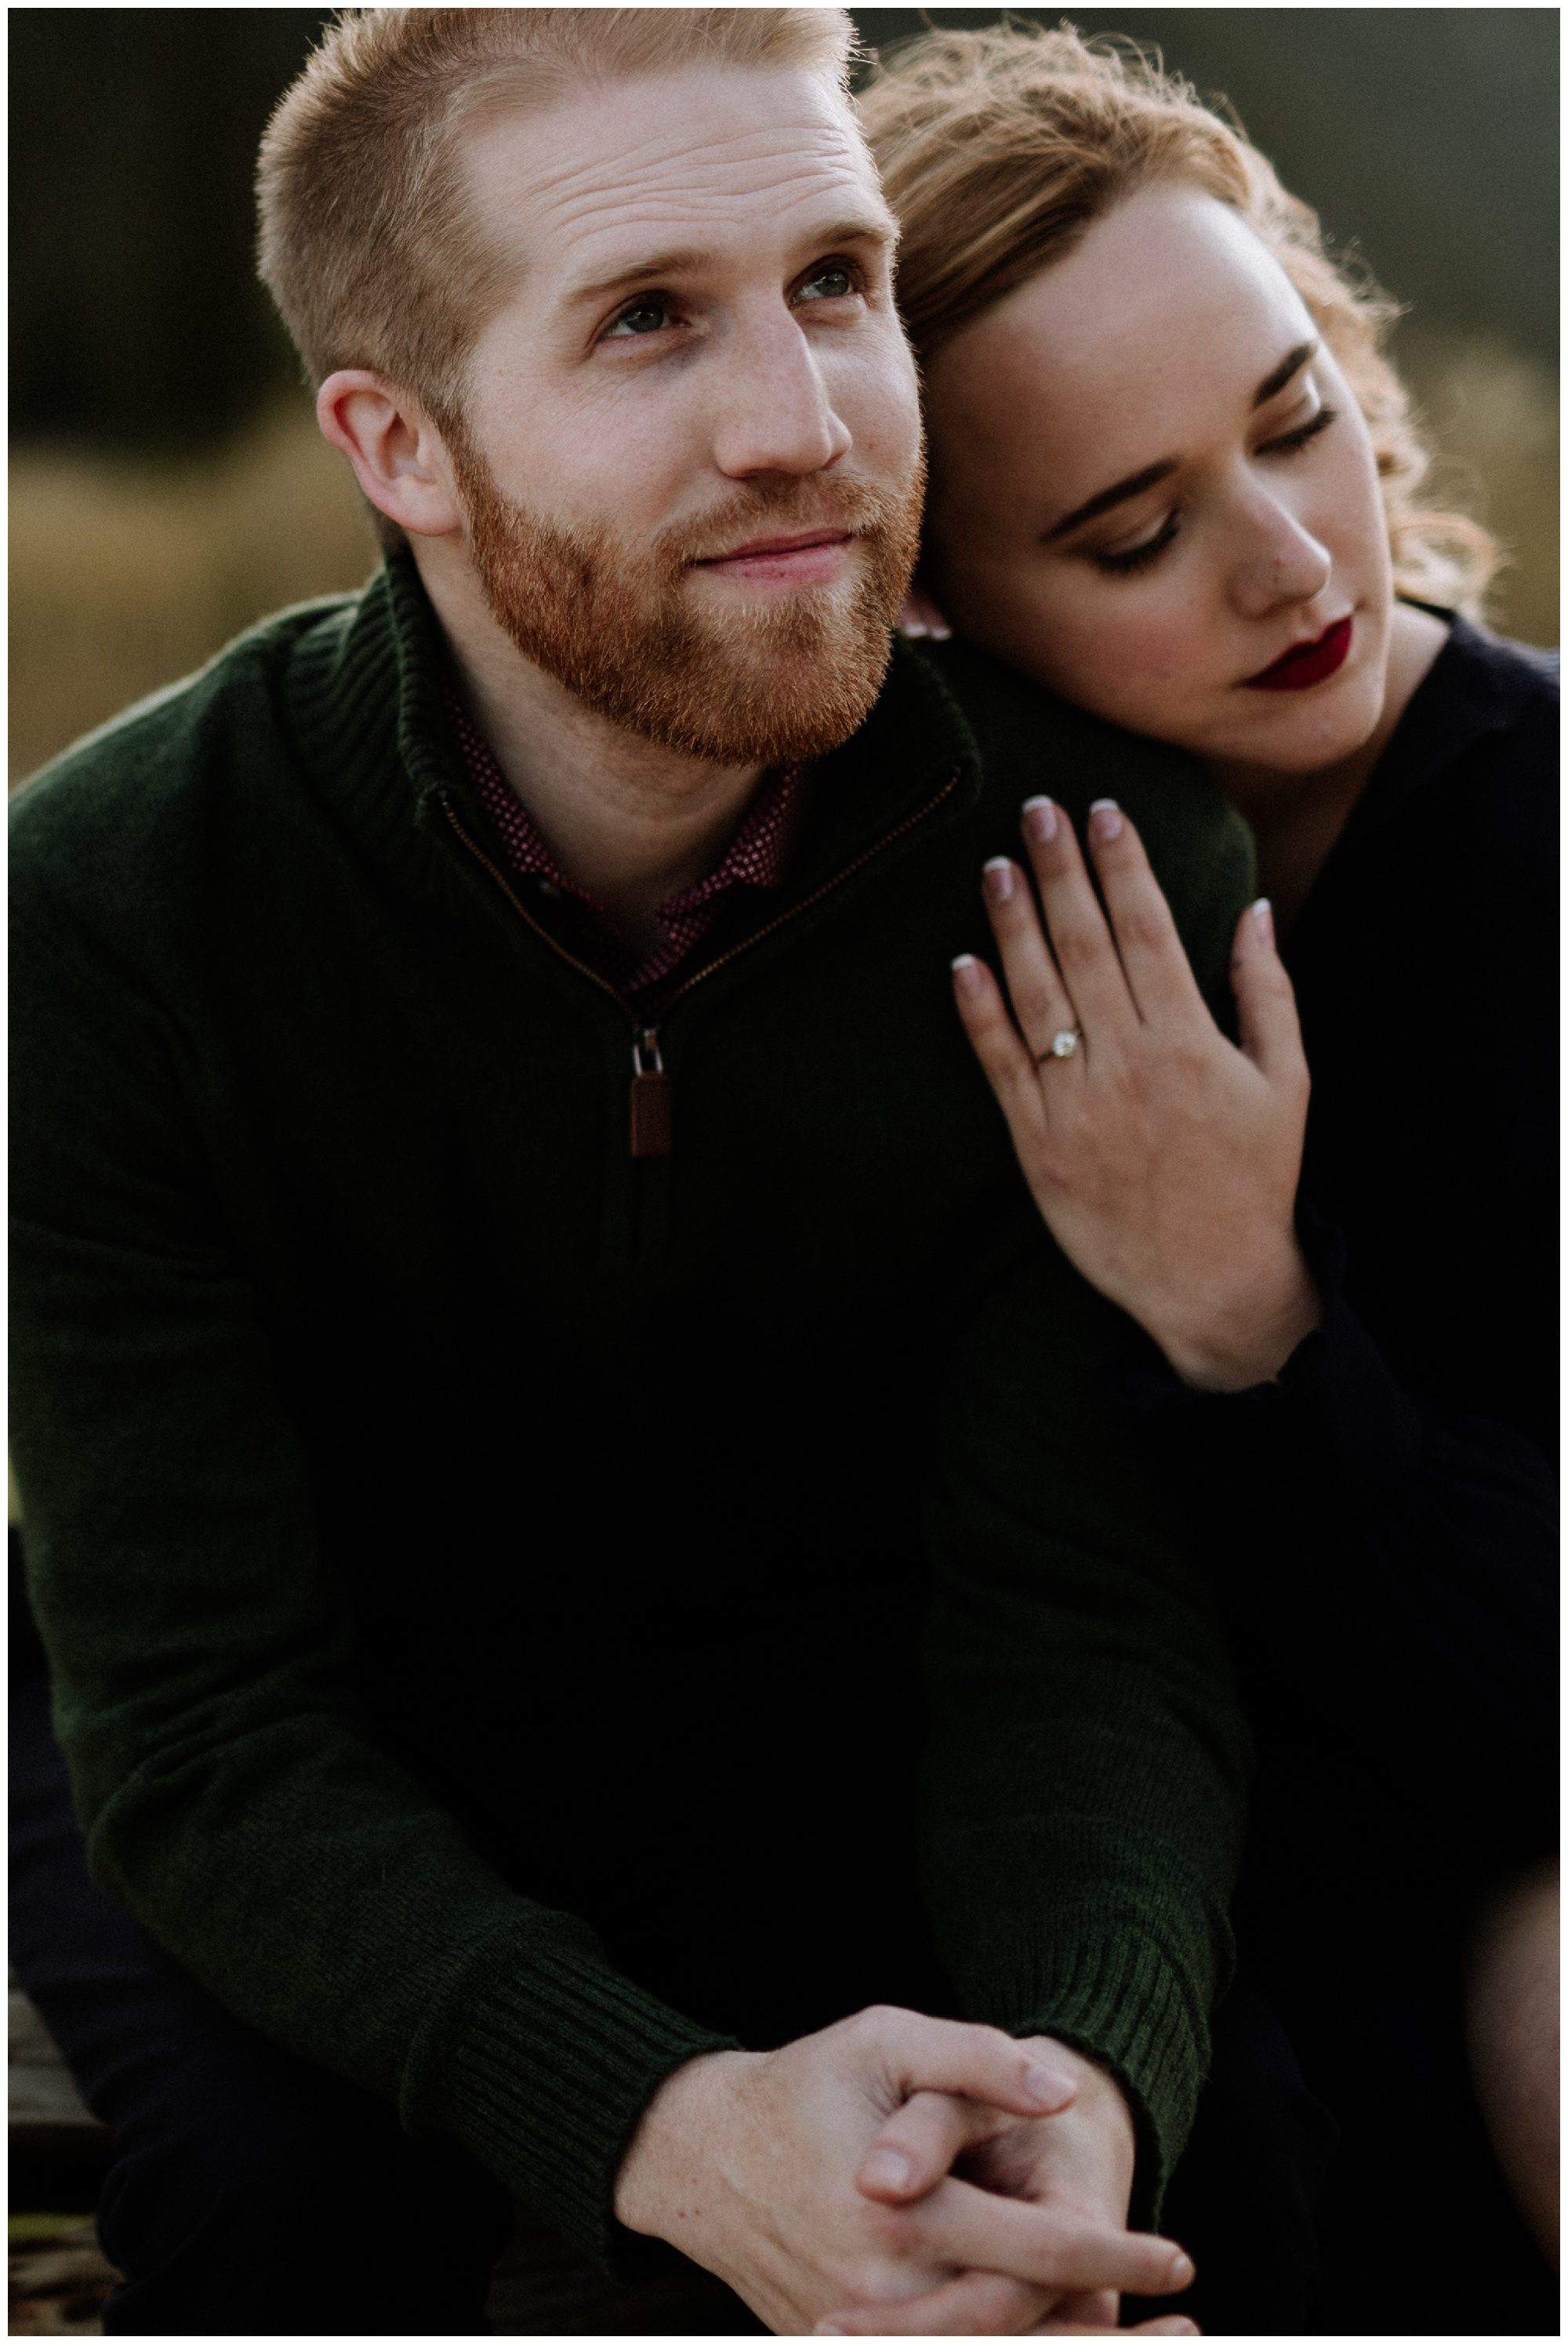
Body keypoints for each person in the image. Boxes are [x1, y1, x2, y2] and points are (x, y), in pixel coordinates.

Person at [8, 9, 1322, 2336]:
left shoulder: (1091, 852)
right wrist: (660, 2127)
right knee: (291, 2215)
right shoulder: (108, 911)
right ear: (396, 442)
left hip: (820, 1716)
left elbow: (1084, 1613)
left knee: (1251, 2174)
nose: (806, 425)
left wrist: (1074, 2086)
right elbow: (208, 1729)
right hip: (292, 1759)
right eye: (647, 320)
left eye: (836, 280)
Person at [858, 24, 1558, 2338]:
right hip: (1098, 1897)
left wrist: (1245, 1320)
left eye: (1298, 419)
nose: (1288, 560)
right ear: (929, 602)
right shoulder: (904, 916)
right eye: (1134, 530)